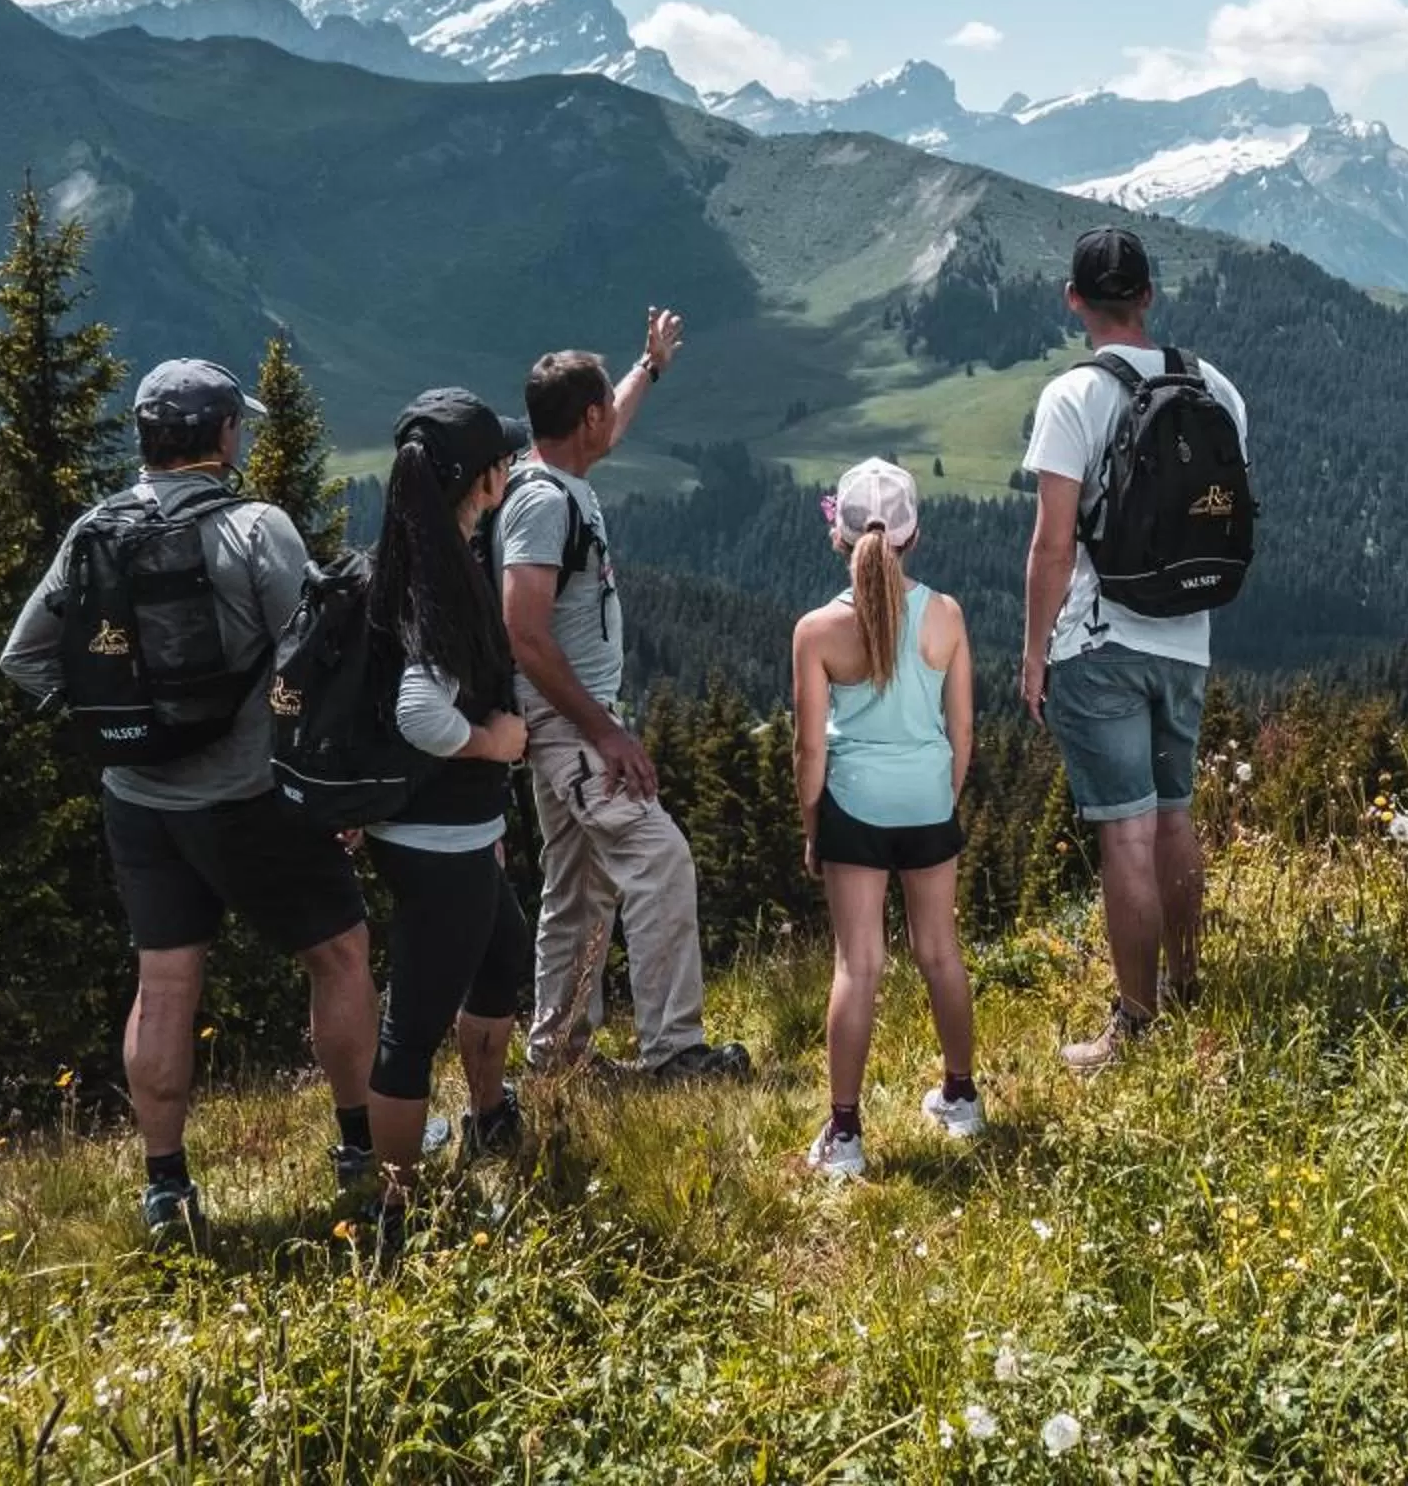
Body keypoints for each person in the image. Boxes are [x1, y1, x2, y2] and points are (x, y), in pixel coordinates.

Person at [0, 358, 378, 1241]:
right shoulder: (257, 527)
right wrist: (334, 788)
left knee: (165, 984)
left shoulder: (94, 530)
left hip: (136, 800)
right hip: (249, 798)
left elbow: (24, 658)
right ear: (221, 435)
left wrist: (117, 725)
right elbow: (314, 656)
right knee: (342, 954)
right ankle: (362, 1151)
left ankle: (166, 1188)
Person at [1020, 229, 1251, 1071]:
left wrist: (1035, 654)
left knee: (1125, 833)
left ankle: (1138, 1025)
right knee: (1175, 815)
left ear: (1074, 299)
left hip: (1101, 637)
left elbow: (1051, 548)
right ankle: (1190, 989)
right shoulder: (1214, 386)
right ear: (1149, 295)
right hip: (1188, 634)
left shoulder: (1072, 396)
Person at [500, 316, 750, 1082]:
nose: (614, 414)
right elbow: (524, 632)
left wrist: (650, 366)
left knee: (577, 890)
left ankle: (559, 1059)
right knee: (660, 858)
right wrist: (604, 732)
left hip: (566, 724)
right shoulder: (544, 503)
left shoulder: (554, 477)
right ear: (586, 419)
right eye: (607, 403)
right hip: (570, 725)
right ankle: (675, 1050)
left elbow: (613, 421)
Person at [362, 389, 537, 1250]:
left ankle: (489, 1118)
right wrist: (492, 742)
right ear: (483, 479)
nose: (512, 466)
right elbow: (418, 713)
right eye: (503, 457)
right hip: (438, 841)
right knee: (413, 1025)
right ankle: (392, 1211)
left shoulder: (416, 553)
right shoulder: (442, 579)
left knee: (503, 954)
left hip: (446, 833)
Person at [792, 460, 982, 1179]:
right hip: (929, 800)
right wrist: (945, 796)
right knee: (940, 950)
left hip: (855, 807)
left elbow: (811, 748)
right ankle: (961, 1097)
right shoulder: (947, 615)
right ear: (914, 535)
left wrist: (816, 828)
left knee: (859, 964)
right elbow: (961, 732)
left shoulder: (818, 631)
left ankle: (845, 1136)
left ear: (839, 539)